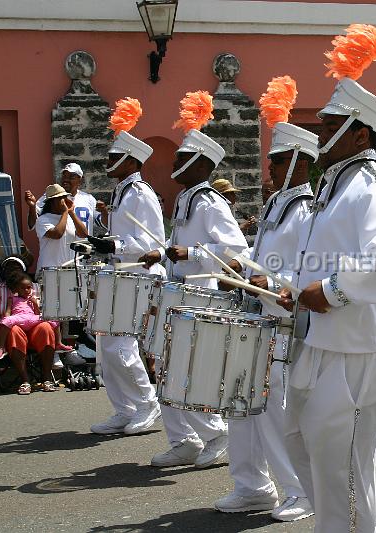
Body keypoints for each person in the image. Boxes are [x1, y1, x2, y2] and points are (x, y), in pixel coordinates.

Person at [277, 24, 376, 532]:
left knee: (345, 460)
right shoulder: (338, 184)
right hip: (326, 340)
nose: (317, 130)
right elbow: (325, 254)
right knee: (299, 437)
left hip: (360, 343)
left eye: (329, 122)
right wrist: (294, 285)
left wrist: (334, 291)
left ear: (360, 133)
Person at [217, 75, 315, 521]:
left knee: (277, 412)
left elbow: (310, 271)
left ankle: (299, 491)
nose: (269, 167)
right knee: (242, 404)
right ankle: (252, 485)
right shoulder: (278, 205)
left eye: (276, 160)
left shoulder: (308, 210)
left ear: (297, 161)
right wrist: (240, 271)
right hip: (259, 319)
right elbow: (264, 258)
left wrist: (279, 287)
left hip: (286, 326)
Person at [140, 90, 248, 470]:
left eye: (184, 158)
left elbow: (235, 248)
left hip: (201, 293)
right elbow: (180, 242)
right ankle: (183, 439)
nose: (175, 162)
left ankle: (216, 433)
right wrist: (164, 250)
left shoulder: (210, 200)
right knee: (165, 366)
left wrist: (193, 254)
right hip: (177, 292)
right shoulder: (187, 198)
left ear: (201, 165)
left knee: (189, 368)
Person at [86, 97, 164, 436]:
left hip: (138, 276)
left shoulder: (141, 193)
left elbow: (152, 243)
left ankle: (148, 405)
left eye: (115, 157)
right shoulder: (123, 191)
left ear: (131, 161)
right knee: (106, 346)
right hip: (120, 275)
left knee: (121, 345)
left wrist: (113, 244)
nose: (108, 161)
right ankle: (124, 408)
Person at [0, 256, 57, 395]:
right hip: (9, 328)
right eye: (8, 267)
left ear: (23, 270)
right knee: (15, 330)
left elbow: (44, 309)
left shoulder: (34, 286)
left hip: (33, 323)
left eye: (16, 267)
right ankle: (25, 380)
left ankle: (47, 378)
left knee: (46, 328)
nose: (12, 270)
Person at [0, 271, 59, 358]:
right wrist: (7, 318)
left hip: (31, 318)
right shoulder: (12, 298)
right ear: (16, 289)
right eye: (22, 288)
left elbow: (37, 313)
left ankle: (59, 343)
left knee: (54, 319)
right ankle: (1, 347)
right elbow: (8, 311)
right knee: (6, 322)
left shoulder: (32, 299)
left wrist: (35, 304)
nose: (26, 290)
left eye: (28, 288)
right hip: (18, 318)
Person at [26, 163, 101, 236]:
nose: (66, 180)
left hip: (83, 246)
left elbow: (102, 222)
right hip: (61, 245)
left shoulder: (89, 198)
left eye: (71, 177)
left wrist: (104, 211)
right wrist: (32, 207)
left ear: (80, 180)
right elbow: (32, 224)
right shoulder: (52, 197)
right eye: (64, 176)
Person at [33, 184, 89, 274]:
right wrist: (65, 212)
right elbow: (57, 234)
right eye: (61, 198)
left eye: (65, 197)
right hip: (49, 271)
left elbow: (84, 234)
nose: (65, 201)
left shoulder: (69, 217)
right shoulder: (42, 220)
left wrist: (71, 213)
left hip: (70, 271)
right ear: (52, 202)